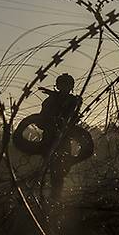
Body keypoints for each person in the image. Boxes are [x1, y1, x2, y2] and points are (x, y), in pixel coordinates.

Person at [38, 73, 83, 201]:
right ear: (58, 86)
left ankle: (56, 196)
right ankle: (50, 196)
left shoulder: (74, 101)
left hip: (64, 140)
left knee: (61, 170)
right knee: (51, 169)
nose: (65, 87)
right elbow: (41, 121)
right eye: (63, 84)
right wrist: (54, 124)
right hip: (50, 139)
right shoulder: (50, 101)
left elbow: (74, 120)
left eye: (67, 85)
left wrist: (77, 106)